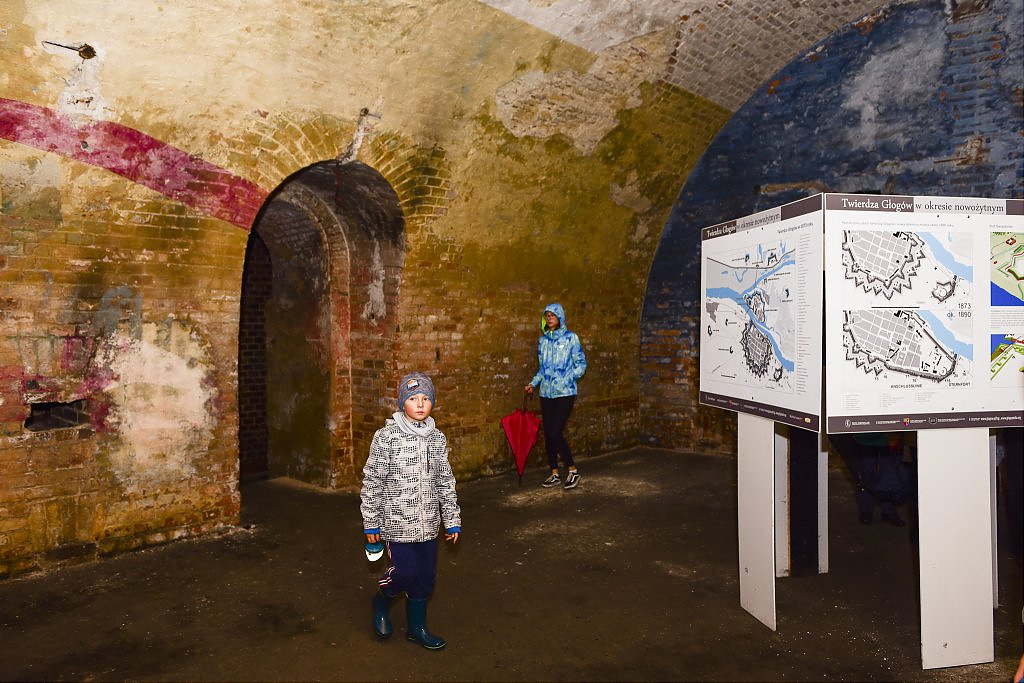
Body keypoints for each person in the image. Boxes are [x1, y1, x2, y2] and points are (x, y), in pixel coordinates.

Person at [360, 371, 461, 651]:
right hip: (396, 524)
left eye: (426, 398)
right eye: (413, 398)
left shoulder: (436, 438)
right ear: (402, 402)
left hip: (429, 524)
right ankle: (381, 601)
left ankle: (417, 629)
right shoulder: (386, 437)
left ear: (433, 403)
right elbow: (372, 481)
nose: (420, 404)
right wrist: (371, 522)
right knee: (405, 572)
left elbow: (445, 481)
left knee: (425, 577)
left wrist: (451, 519)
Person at [523, 302, 587, 489]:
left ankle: (573, 470)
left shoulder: (571, 338)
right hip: (546, 394)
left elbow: (581, 364)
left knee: (555, 432)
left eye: (553, 315)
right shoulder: (543, 341)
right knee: (549, 434)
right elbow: (542, 369)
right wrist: (533, 384)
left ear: (560, 317)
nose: (549, 318)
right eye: (547, 316)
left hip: (565, 393)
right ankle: (554, 474)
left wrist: (567, 378)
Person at [829, 432, 912, 526]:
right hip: (865, 437)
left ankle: (889, 510)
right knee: (865, 472)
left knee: (890, 473)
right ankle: (866, 510)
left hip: (889, 436)